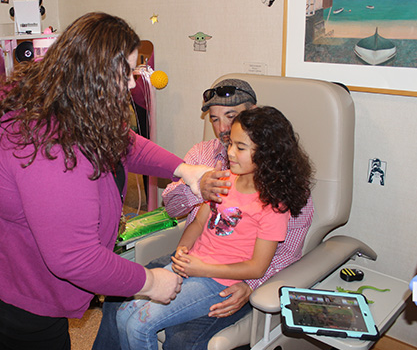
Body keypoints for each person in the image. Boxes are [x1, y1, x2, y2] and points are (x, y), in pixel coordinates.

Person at [0, 12, 213, 350]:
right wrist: (150, 282)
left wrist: (184, 169)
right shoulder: (51, 147)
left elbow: (122, 139)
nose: (131, 84)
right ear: (94, 78)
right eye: (125, 73)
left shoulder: (51, 94)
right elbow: (76, 258)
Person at [92, 78, 314, 350]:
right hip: (193, 259)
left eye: (230, 117)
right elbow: (179, 211)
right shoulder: (211, 162)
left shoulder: (282, 193)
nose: (222, 131)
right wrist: (197, 190)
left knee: (168, 333)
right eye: (214, 119)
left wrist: (253, 285)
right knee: (120, 301)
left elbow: (282, 254)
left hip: (227, 275)